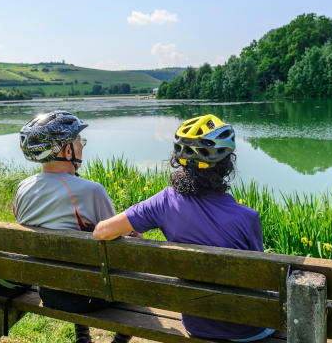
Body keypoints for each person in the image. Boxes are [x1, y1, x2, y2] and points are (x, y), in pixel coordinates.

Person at [93, 114, 275, 342]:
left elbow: (101, 232)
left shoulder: (163, 203)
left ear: (179, 160)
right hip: (248, 331)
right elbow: (259, 282)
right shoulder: (248, 218)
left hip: (197, 325)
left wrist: (132, 233)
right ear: (227, 165)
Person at [14, 110, 131, 343]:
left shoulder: (22, 189)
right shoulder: (90, 190)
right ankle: (119, 339)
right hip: (95, 295)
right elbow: (119, 235)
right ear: (67, 150)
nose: (82, 147)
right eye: (79, 142)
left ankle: (82, 334)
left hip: (49, 291)